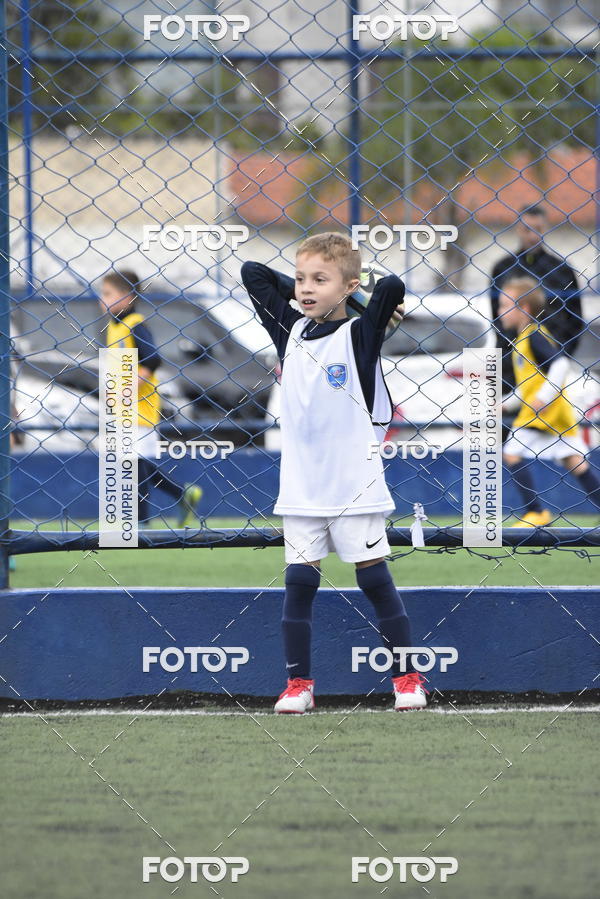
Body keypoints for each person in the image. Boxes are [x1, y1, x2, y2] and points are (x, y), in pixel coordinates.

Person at [241, 232, 427, 713]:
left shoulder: (359, 336)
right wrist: (314, 289)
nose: (305, 288)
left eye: (319, 280)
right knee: (299, 585)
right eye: (300, 279)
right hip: (302, 489)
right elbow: (252, 273)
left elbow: (392, 285)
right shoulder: (289, 331)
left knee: (375, 581)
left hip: (354, 486)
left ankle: (407, 678)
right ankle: (298, 685)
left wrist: (356, 297)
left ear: (348, 286)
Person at [100, 270, 202, 526]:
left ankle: (141, 522)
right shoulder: (114, 327)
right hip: (123, 409)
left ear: (128, 297)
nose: (102, 299)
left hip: (140, 409)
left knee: (133, 465)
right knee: (133, 464)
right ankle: (181, 493)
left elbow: (152, 360)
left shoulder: (135, 324)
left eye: (108, 294)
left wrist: (127, 389)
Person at [499, 275, 600, 527]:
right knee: (575, 463)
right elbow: (528, 386)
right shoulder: (522, 340)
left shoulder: (533, 335)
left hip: (546, 413)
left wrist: (543, 399)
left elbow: (560, 364)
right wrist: (505, 404)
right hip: (556, 413)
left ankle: (536, 512)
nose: (499, 311)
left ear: (524, 308)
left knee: (510, 453)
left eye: (504, 305)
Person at [490, 204, 583, 394]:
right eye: (527, 229)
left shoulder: (562, 270)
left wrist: (560, 355)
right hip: (511, 363)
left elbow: (575, 318)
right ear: (518, 229)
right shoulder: (503, 268)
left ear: (545, 228)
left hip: (549, 361)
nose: (532, 235)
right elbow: (496, 315)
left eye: (538, 229)